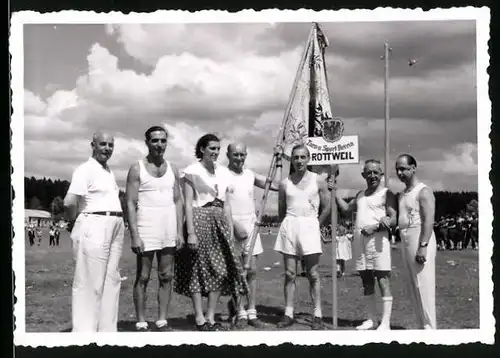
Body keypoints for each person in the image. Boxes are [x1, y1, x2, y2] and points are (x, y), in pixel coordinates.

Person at [174, 133, 248, 331]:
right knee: (197, 269)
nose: (215, 152)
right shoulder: (192, 171)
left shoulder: (223, 173)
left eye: (218, 149)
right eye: (212, 148)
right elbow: (188, 203)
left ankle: (211, 317)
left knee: (220, 270)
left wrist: (230, 230)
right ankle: (199, 318)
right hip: (199, 218)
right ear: (202, 150)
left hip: (220, 222)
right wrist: (190, 232)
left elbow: (227, 204)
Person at [63, 130, 124, 332]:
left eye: (110, 145)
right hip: (94, 221)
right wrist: (75, 223)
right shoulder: (85, 169)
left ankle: (107, 332)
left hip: (114, 224)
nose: (107, 148)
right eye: (103, 144)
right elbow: (69, 202)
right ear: (93, 145)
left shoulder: (107, 170)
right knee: (90, 282)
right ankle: (84, 335)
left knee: (111, 280)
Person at [126, 126, 184, 332]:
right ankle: (141, 322)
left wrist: (179, 231)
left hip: (168, 228)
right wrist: (135, 235)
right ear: (147, 143)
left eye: (163, 141)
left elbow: (178, 200)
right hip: (146, 227)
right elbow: (131, 203)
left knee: (166, 276)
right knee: (143, 277)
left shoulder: (173, 169)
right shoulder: (136, 168)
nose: (159, 145)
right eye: (155, 141)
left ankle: (162, 321)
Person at [335, 159, 397, 330]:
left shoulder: (386, 193)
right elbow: (347, 210)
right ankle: (371, 319)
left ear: (381, 174)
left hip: (378, 241)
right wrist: (334, 193)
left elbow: (393, 219)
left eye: (376, 172)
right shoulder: (360, 195)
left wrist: (376, 227)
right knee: (366, 280)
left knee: (382, 279)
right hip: (359, 240)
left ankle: (385, 323)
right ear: (363, 175)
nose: (372, 176)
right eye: (368, 172)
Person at [274, 144, 330, 330]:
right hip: (290, 225)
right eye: (296, 157)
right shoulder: (285, 183)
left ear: (308, 159)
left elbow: (328, 206)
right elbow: (282, 209)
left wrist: (316, 224)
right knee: (290, 274)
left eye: (302, 157)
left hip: (310, 225)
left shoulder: (318, 181)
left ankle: (318, 314)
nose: (299, 161)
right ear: (291, 160)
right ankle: (288, 313)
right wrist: (288, 225)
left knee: (313, 274)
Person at [225, 142, 280, 329]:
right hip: (232, 227)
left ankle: (252, 312)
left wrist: (279, 161)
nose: (239, 158)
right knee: (237, 272)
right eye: (236, 154)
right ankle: (239, 312)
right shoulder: (222, 175)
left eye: (242, 155)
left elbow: (276, 185)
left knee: (253, 271)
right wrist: (234, 225)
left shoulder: (250, 175)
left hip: (252, 226)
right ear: (228, 155)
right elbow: (219, 203)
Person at [395, 154, 437, 329]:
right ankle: (422, 326)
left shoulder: (423, 191)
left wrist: (423, 246)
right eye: (397, 169)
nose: (400, 172)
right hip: (405, 238)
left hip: (419, 236)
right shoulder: (403, 194)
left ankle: (430, 328)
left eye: (403, 168)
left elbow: (429, 220)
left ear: (413, 168)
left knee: (424, 284)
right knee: (413, 285)